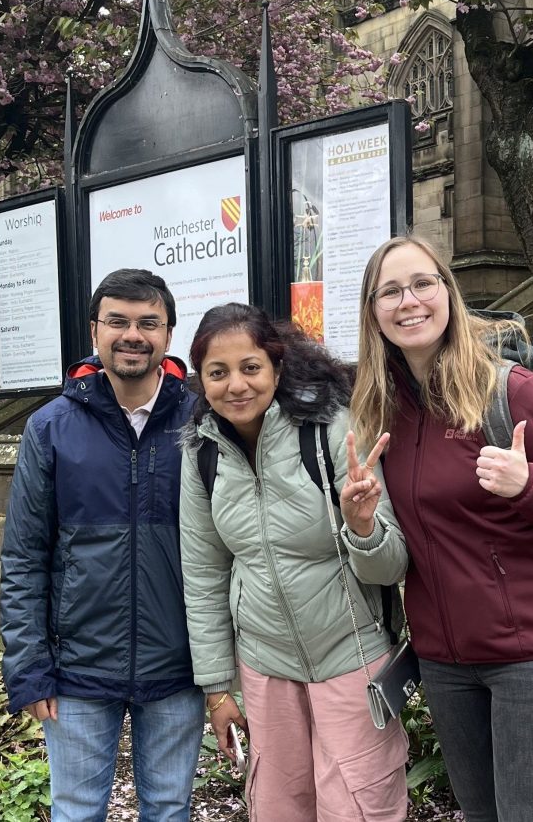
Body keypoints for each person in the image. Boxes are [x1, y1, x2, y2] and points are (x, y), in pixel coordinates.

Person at [350, 237, 533, 822]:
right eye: (389, 291)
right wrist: (363, 520)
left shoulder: (510, 390)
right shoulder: (384, 412)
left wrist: (529, 486)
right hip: (447, 662)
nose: (408, 301)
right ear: (372, 311)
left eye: (422, 283)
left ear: (448, 291)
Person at [178, 302, 411, 822]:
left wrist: (362, 525)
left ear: (276, 368)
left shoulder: (332, 430)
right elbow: (203, 574)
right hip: (265, 664)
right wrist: (217, 689)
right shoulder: (202, 453)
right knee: (279, 807)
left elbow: (391, 568)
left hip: (352, 653)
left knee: (357, 806)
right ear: (201, 380)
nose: (235, 385)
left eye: (250, 368)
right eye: (217, 373)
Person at [0, 269, 204, 822]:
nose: (132, 334)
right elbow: (23, 557)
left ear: (167, 336)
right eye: (117, 321)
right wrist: (29, 666)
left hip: (177, 665)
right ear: (95, 331)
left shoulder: (200, 424)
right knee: (76, 811)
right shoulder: (50, 427)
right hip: (78, 669)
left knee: (169, 809)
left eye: (148, 323)